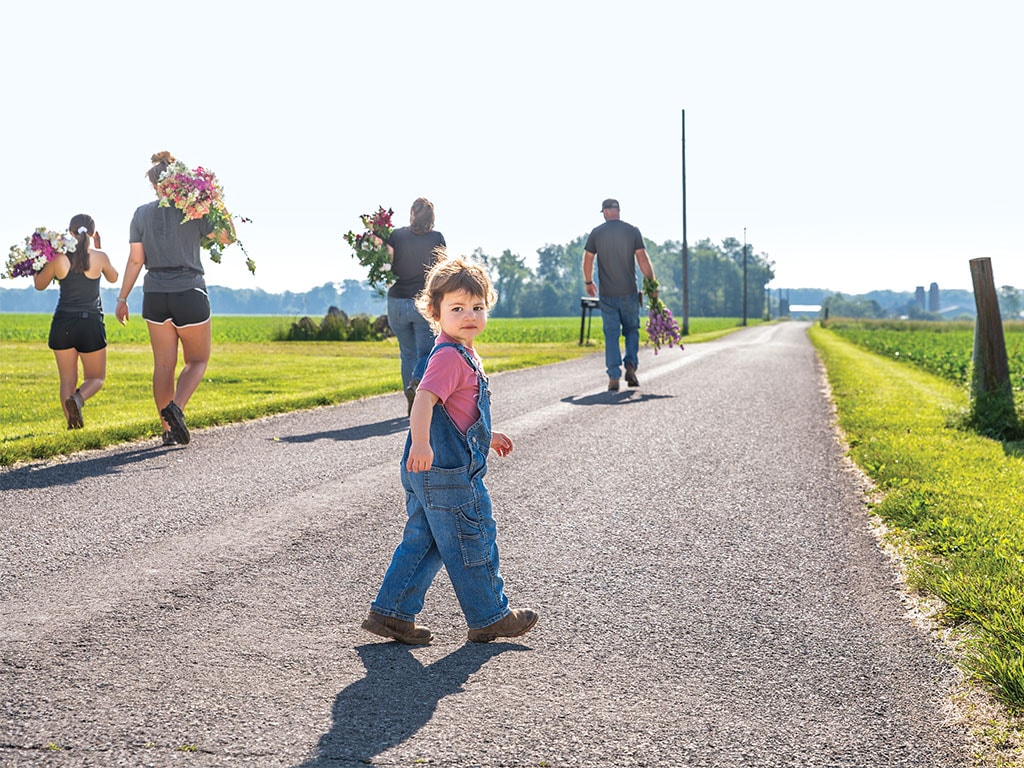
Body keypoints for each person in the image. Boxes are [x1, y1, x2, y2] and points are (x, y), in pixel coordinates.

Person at [362, 255, 538, 645]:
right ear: (434, 312)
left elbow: (457, 410)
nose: (468, 315)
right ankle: (490, 615)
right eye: (457, 308)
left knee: (426, 540)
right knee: (471, 537)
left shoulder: (461, 353)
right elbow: (424, 400)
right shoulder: (448, 357)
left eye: (477, 307)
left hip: (430, 471)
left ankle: (392, 612)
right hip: (447, 471)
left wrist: (486, 435)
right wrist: (422, 442)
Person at [115, 151, 222, 447]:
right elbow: (227, 238)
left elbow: (136, 260)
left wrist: (122, 298)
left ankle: (167, 430)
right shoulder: (195, 210)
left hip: (154, 295)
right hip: (189, 291)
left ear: (154, 185)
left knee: (163, 365)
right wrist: (216, 206)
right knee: (197, 360)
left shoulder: (140, 214)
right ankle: (177, 408)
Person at [34, 214, 118, 430]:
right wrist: (100, 248)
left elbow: (39, 285)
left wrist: (36, 262)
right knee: (96, 377)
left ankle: (73, 429)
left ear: (70, 233)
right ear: (92, 233)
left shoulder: (59, 259)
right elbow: (113, 277)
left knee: (67, 381)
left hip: (63, 323)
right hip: (90, 324)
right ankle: (78, 400)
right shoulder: (99, 257)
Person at [582, 198, 657, 391]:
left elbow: (588, 259)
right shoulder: (632, 231)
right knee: (632, 330)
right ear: (618, 211)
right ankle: (630, 365)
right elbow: (642, 258)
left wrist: (589, 282)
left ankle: (613, 376)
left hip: (607, 294)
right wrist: (651, 282)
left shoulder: (597, 233)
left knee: (612, 334)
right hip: (629, 292)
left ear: (606, 212)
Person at [386, 197, 446, 414]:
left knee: (407, 354)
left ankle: (410, 397)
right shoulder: (436, 238)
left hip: (396, 302)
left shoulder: (397, 236)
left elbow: (386, 262)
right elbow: (442, 271)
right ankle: (416, 384)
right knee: (427, 352)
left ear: (411, 212)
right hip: (422, 303)